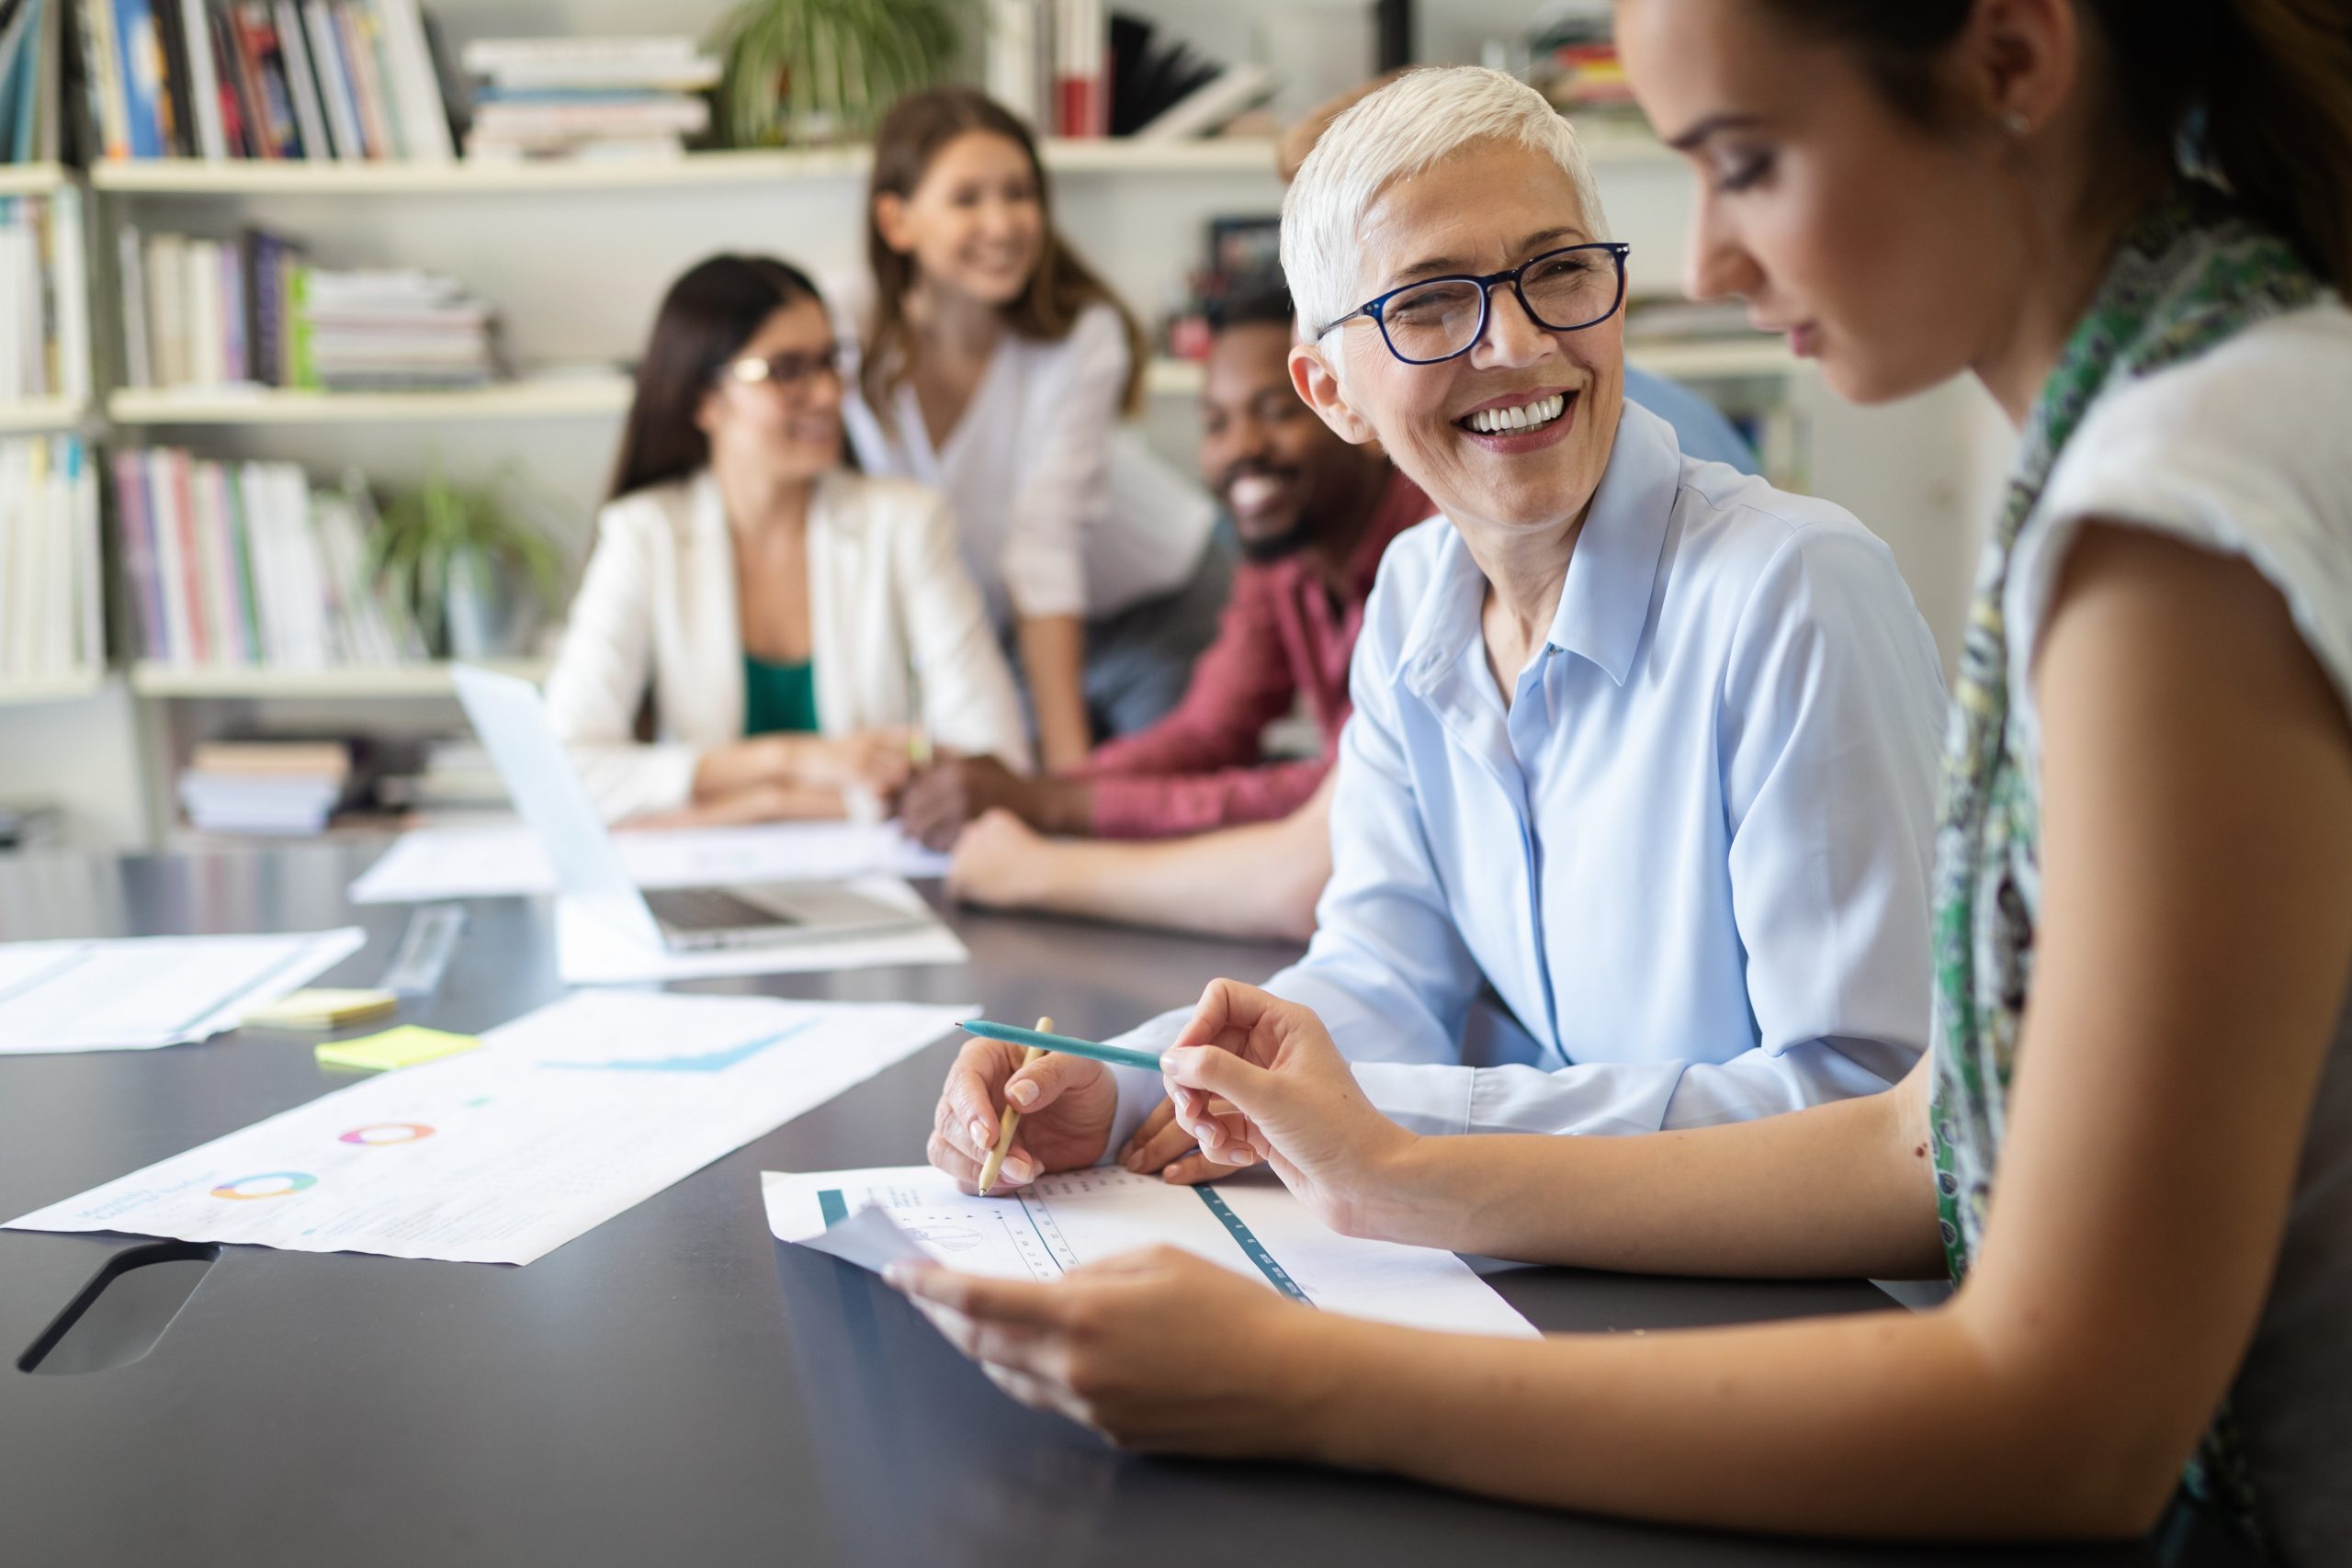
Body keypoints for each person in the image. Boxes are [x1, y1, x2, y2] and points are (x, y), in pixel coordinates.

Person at [900, 6, 2352, 1558]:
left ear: (2011, 61)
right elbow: (1920, 1132)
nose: (1708, 263)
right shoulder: (2172, 429)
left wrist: (1322, 1342)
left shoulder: (2156, 519)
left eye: (1743, 161)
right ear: (1337, 386)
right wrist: (1177, 1086)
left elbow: (2035, 1361)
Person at [925, 67, 1951, 1195]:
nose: (1514, 343)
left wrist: (1383, 1128)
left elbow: (1871, 1105)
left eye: (1557, 272)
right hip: (1573, 1275)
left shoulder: (1793, 591)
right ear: (1330, 394)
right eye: (1426, 304)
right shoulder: (1416, 595)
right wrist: (1132, 1081)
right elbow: (1383, 976)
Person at [895, 284, 1433, 852]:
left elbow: (1345, 789)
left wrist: (1050, 804)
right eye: (1216, 423)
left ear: (1351, 409)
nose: (1240, 447)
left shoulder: (1433, 549)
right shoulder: (1282, 552)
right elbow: (1208, 732)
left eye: (1277, 411)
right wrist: (1032, 792)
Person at [544, 254, 1029, 826]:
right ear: (705, 400)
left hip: (878, 878)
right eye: (787, 370)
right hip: (710, 879)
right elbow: (563, 770)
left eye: (830, 362)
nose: (827, 394)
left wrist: (740, 800)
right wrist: (798, 763)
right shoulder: (644, 535)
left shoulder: (907, 524)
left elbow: (992, 760)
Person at [834, 87, 1226, 771]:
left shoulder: (1080, 335)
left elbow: (1041, 548)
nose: (1003, 222)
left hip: (1161, 604)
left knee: (1144, 812)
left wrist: (1068, 783)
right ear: (896, 222)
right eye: (966, 199)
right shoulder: (847, 321)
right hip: (1016, 632)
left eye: (1019, 193)